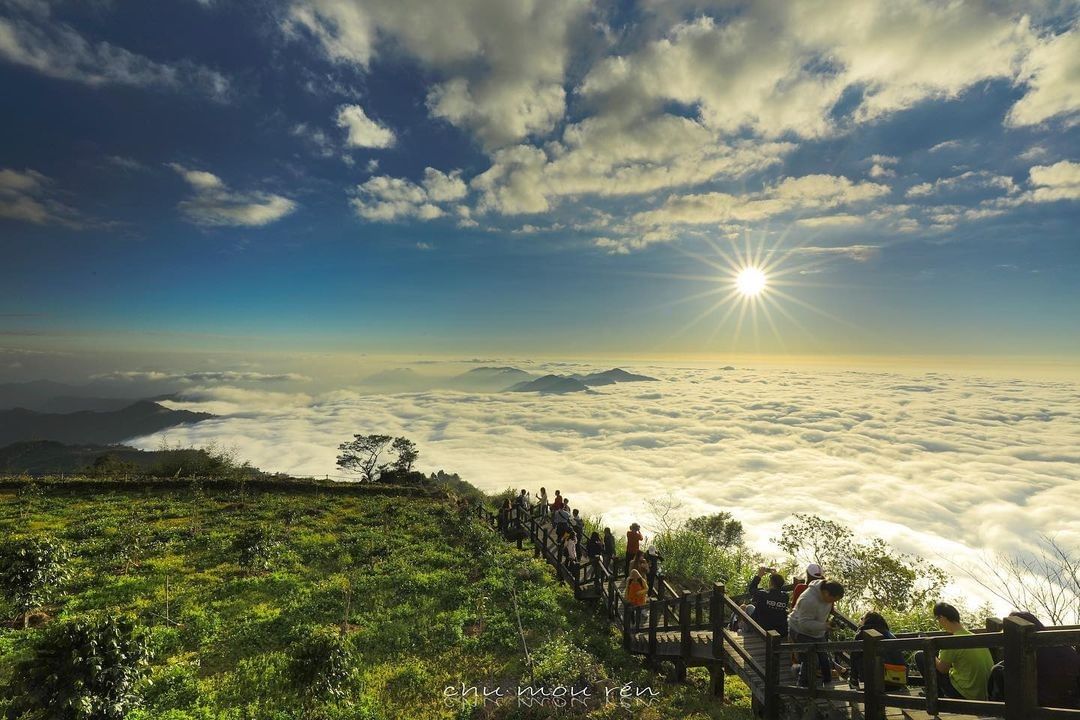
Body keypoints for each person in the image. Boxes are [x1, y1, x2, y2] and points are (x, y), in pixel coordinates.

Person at [987, 611, 1080, 708]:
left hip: (1040, 708)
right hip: (1072, 706)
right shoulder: (1065, 648)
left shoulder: (1030, 650)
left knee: (997, 670)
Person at [914, 602, 994, 701]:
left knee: (920, 655)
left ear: (942, 618)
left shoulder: (953, 641)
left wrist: (929, 652)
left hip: (964, 694)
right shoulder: (975, 637)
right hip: (982, 694)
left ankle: (934, 696)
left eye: (937, 619)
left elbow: (943, 669)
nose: (938, 623)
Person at [788, 579, 846, 688]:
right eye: (834, 599)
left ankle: (828, 684)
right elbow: (803, 624)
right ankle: (803, 688)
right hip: (799, 630)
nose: (833, 602)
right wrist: (824, 626)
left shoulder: (826, 597)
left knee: (824, 657)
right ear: (826, 593)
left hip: (817, 632)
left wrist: (828, 625)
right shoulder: (808, 599)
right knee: (810, 660)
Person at [849, 612, 906, 690]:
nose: (861, 621)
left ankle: (853, 681)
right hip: (897, 681)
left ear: (867, 620)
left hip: (877, 682)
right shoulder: (890, 634)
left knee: (856, 654)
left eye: (862, 618)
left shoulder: (863, 633)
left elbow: (854, 657)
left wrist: (854, 677)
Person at [747, 566, 789, 636]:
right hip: (779, 630)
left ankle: (738, 628)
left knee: (748, 607)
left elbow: (751, 589)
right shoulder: (785, 597)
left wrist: (759, 576)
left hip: (762, 630)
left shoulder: (763, 594)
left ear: (770, 583)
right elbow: (778, 590)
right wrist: (776, 577)